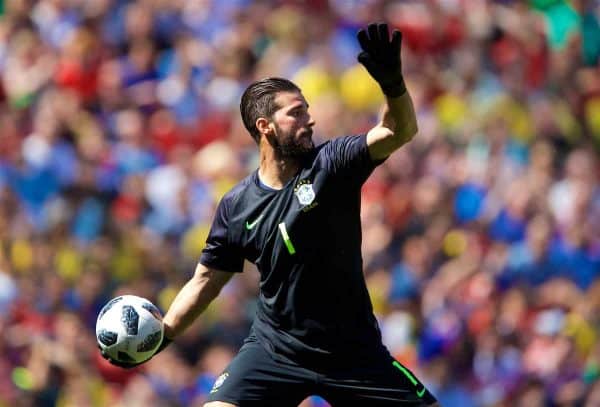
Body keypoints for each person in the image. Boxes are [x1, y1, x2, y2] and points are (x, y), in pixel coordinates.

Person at [101, 23, 439, 406]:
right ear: (266, 126)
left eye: (307, 111)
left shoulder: (333, 164)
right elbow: (207, 280)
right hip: (276, 350)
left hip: (352, 352)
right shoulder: (236, 205)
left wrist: (392, 84)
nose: (309, 120)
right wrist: (162, 337)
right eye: (296, 114)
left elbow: (400, 131)